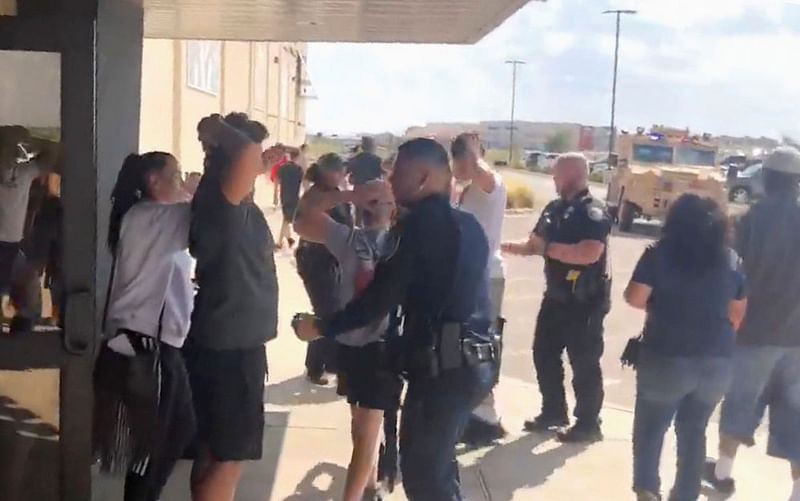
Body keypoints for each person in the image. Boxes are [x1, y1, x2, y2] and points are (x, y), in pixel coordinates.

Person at [294, 138, 497, 501]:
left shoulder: (417, 227)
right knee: (439, 467)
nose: (390, 180)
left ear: (423, 177)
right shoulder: (468, 225)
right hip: (473, 366)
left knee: (423, 477)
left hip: (441, 369)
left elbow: (380, 298)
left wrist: (322, 328)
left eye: (398, 173)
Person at [186, 112, 283, 501]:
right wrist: (214, 128)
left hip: (224, 340)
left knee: (214, 449)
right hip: (231, 347)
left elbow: (245, 156)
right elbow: (242, 152)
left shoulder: (225, 198)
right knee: (230, 457)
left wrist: (259, 160)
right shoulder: (221, 201)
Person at [625, 194, 747, 501]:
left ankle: (647, 491)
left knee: (650, 429)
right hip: (716, 361)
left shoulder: (658, 254)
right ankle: (685, 495)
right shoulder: (732, 260)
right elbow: (737, 315)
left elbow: (635, 297)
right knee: (694, 432)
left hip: (666, 354)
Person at [93, 151, 196, 501]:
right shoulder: (153, 218)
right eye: (175, 174)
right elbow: (209, 215)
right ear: (153, 180)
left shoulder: (145, 216)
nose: (181, 181)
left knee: (177, 432)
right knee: (154, 449)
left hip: (153, 343)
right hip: (148, 347)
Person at [293, 179, 402, 501]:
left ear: (395, 207)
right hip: (351, 346)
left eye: (381, 199)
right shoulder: (348, 238)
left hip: (383, 348)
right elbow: (302, 216)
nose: (373, 205)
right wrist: (349, 195)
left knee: (367, 437)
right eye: (369, 199)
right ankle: (369, 490)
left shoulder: (402, 244)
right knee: (359, 430)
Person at [704, 146, 800, 501]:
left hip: (753, 333)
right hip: (798, 340)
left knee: (739, 404)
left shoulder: (748, 221)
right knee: (795, 418)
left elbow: (727, 272)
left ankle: (723, 475)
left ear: (767, 179)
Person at [502, 152, 611, 443]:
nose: (553, 179)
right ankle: (553, 411)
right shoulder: (554, 208)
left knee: (584, 362)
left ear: (573, 175)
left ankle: (588, 422)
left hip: (585, 301)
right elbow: (534, 244)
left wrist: (547, 248)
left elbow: (589, 253)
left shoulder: (592, 211)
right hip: (556, 296)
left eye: (557, 175)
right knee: (543, 353)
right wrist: (501, 246)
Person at [451, 132, 508, 445]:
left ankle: (486, 418)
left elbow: (479, 170)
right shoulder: (469, 190)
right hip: (471, 277)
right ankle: (476, 413)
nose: (457, 164)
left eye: (460, 157)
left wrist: (469, 148)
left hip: (486, 276)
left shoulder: (490, 184)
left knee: (480, 345)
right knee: (467, 345)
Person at [295, 153, 353, 385]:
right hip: (316, 259)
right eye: (338, 171)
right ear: (328, 172)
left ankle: (326, 363)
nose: (341, 175)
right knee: (327, 312)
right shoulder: (318, 196)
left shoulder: (331, 194)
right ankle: (317, 366)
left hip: (328, 259)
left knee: (331, 309)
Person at [0, 126, 60, 333]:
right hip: (11, 241)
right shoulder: (25, 172)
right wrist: (38, 143)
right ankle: (24, 322)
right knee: (27, 283)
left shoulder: (22, 172)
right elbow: (51, 157)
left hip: (9, 240)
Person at [276, 148, 304, 249]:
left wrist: (275, 196)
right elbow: (301, 184)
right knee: (287, 219)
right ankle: (286, 240)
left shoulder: (283, 167)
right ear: (297, 157)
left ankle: (284, 241)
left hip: (284, 195)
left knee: (286, 219)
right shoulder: (299, 169)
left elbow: (277, 182)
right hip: (294, 196)